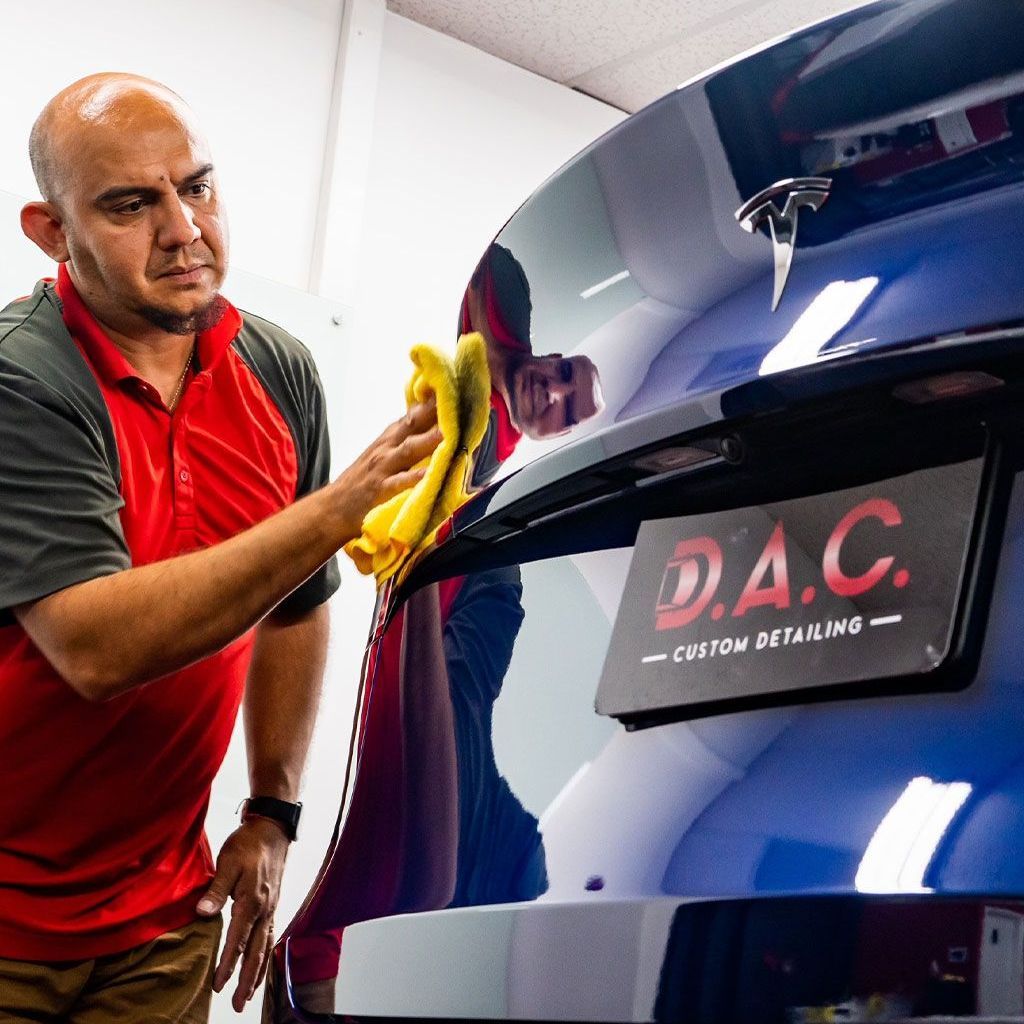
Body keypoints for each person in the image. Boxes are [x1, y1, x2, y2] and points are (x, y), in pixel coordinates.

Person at [0, 73, 439, 1021]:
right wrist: (341, 506)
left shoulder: (277, 369)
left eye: (196, 187)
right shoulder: (20, 378)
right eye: (131, 204)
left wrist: (272, 814)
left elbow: (296, 603)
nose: (184, 229)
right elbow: (94, 647)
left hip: (163, 916)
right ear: (51, 231)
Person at [459, 242, 603, 476]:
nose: (553, 390)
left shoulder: (476, 466)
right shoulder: (506, 284)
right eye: (564, 372)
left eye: (567, 414)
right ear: (553, 357)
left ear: (559, 435)